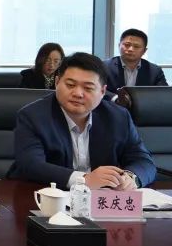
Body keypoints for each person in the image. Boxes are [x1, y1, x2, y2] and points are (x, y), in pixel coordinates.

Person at [8, 52, 156, 190]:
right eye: (70, 85)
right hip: (46, 197)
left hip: (102, 200)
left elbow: (143, 161)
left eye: (88, 88)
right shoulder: (33, 116)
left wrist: (130, 178)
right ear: (57, 82)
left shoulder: (118, 117)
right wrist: (84, 179)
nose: (78, 93)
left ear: (102, 91)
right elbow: (31, 165)